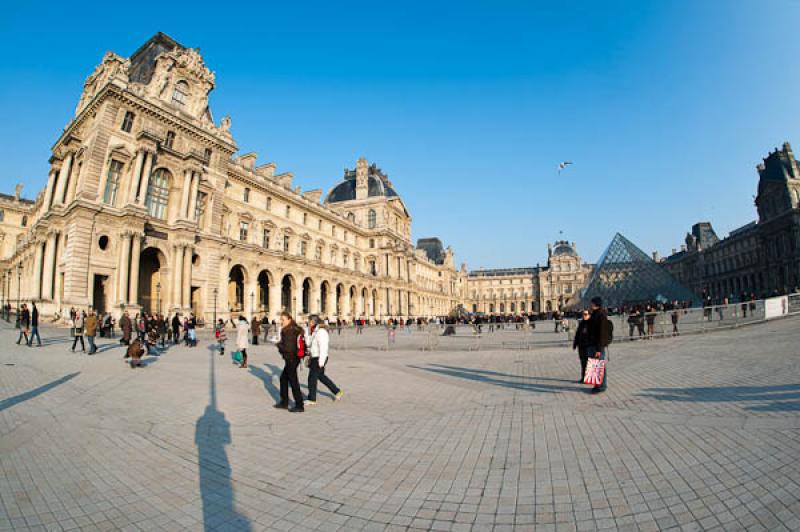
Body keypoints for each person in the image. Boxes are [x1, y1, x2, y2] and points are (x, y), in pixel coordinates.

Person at [304, 315, 344, 405]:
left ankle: (312, 398)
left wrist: (321, 361)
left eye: (309, 321)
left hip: (319, 357)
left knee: (312, 378)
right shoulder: (314, 331)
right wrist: (306, 333)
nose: (308, 323)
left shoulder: (321, 332)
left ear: (314, 322)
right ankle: (337, 391)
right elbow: (308, 343)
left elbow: (323, 347)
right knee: (321, 376)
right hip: (314, 356)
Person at [274, 311, 305, 412]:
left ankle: (299, 405)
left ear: (289, 319)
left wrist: (277, 344)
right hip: (293, 358)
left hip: (291, 357)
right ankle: (284, 402)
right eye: (281, 320)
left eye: (283, 320)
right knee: (284, 378)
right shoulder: (294, 328)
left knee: (293, 381)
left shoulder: (289, 331)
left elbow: (288, 348)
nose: (281, 322)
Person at [586, 297, 610, 393]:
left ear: (596, 304)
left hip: (597, 345)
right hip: (592, 344)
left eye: (591, 303)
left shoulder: (601, 315)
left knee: (600, 365)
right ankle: (597, 384)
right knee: (594, 365)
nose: (590, 304)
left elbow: (602, 333)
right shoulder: (594, 314)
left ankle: (601, 386)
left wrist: (599, 349)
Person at [572, 310, 592, 383]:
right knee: (583, 362)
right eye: (583, 314)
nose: (584, 315)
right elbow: (577, 334)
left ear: (589, 315)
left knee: (589, 363)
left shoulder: (591, 324)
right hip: (581, 346)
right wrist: (575, 344)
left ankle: (589, 377)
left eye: (586, 314)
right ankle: (583, 377)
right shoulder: (581, 323)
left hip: (588, 346)